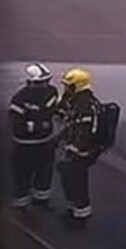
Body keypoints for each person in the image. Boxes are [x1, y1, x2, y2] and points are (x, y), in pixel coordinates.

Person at [8, 63, 60, 209]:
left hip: (45, 143)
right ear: (30, 82)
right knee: (22, 176)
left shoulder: (52, 92)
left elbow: (55, 109)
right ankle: (20, 208)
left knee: (44, 174)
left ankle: (42, 201)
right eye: (40, 82)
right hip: (24, 146)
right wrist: (38, 125)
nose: (44, 85)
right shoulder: (20, 99)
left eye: (46, 81)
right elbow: (17, 126)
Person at [55, 68, 100, 227]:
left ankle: (80, 217)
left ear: (77, 86)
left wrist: (74, 150)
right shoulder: (77, 100)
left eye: (69, 86)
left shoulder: (84, 105)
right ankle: (74, 209)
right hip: (74, 148)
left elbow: (83, 133)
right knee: (69, 178)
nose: (66, 88)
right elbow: (68, 121)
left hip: (81, 152)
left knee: (78, 182)